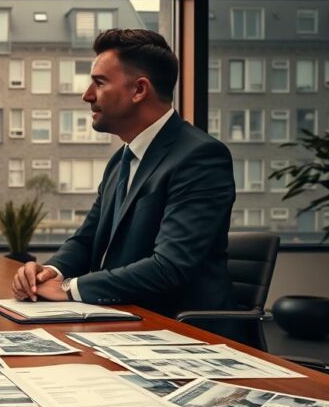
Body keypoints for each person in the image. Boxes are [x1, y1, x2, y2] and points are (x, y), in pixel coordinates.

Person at [12, 28, 235, 317]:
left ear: (139, 90)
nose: (86, 95)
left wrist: (68, 289)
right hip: (125, 322)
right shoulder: (121, 160)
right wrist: (48, 273)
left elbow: (169, 266)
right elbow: (86, 239)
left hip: (181, 332)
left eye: (99, 83)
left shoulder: (200, 157)